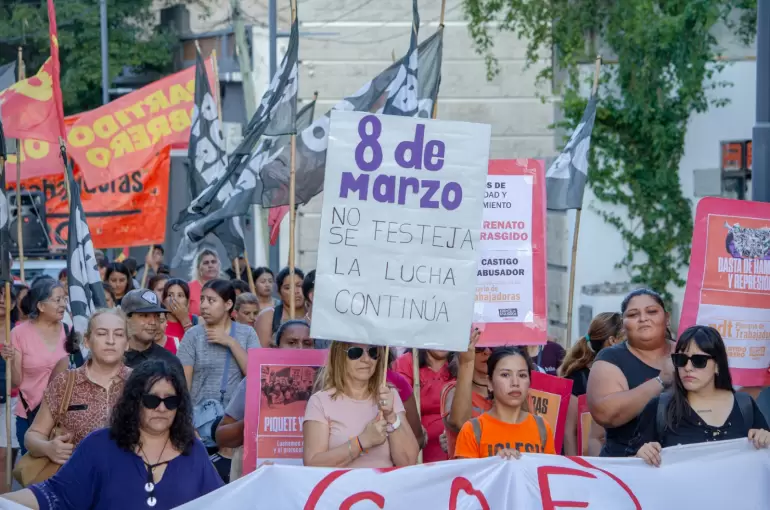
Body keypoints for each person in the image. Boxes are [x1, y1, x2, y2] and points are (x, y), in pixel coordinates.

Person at [1, 359, 223, 509]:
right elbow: (54, 495)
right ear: (134, 402)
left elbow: (224, 501)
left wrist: (258, 482)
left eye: (171, 401)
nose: (162, 408)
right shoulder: (99, 446)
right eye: (152, 400)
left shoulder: (192, 450)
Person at [631, 326, 770, 465]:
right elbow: (628, 466)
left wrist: (765, 439)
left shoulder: (745, 405)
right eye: (681, 359)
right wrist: (642, 454)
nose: (688, 368)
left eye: (699, 360)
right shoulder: (660, 408)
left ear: (717, 365)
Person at [24, 309, 131, 467]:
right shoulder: (65, 382)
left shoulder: (141, 383)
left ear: (127, 343)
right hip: (74, 483)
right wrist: (48, 448)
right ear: (87, 341)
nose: (110, 340)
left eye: (119, 334)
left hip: (127, 480)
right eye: (102, 333)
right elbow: (33, 435)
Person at [177, 279, 260, 482]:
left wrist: (230, 342)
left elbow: (256, 377)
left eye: (212, 300)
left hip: (234, 428)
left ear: (228, 305)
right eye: (202, 299)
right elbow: (182, 385)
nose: (204, 305)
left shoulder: (246, 333)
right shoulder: (193, 336)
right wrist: (187, 424)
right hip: (199, 426)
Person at [215, 319, 315, 479]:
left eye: (307, 343)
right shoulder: (255, 380)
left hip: (304, 480)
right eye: (292, 342)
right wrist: (254, 423)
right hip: (260, 477)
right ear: (276, 347)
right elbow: (221, 437)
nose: (300, 349)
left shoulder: (325, 383)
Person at [587, 288, 675, 457]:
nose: (643, 319)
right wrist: (661, 380)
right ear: (623, 323)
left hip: (680, 465)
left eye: (652, 311)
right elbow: (606, 413)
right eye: (633, 315)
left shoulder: (687, 353)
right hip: (625, 467)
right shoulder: (610, 358)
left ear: (667, 318)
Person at [303, 341, 419, 468]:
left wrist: (391, 416)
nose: (366, 359)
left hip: (382, 486)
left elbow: (409, 461)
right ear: (339, 356)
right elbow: (313, 463)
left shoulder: (387, 395)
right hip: (340, 487)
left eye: (373, 352)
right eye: (355, 353)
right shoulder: (320, 401)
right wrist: (362, 441)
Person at [0, 280, 68, 455]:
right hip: (30, 415)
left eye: (64, 299)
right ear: (41, 306)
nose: (63, 304)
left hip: (64, 417)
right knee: (33, 473)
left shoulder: (69, 331)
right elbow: (16, 382)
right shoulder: (19, 334)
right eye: (57, 300)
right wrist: (11, 359)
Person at [454, 347, 555, 459]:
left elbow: (549, 474)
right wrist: (495, 464)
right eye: (505, 375)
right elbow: (466, 476)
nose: (515, 383)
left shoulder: (542, 428)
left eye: (522, 375)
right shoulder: (472, 430)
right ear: (490, 383)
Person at [558, 313, 622, 456]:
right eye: (626, 336)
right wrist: (576, 471)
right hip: (589, 466)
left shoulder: (625, 372)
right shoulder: (579, 377)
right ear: (613, 341)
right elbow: (569, 433)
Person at [393, 348, 456, 462]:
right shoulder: (408, 362)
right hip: (417, 448)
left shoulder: (461, 363)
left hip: (453, 449)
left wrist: (456, 435)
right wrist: (415, 427)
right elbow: (399, 401)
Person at [441, 329, 490, 459]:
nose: (487, 351)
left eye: (494, 347)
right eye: (479, 347)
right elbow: (461, 423)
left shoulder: (512, 391)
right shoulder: (451, 390)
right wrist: (467, 362)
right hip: (467, 475)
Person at [121, 289, 183, 374]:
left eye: (156, 316)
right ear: (127, 318)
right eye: (145, 316)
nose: (153, 322)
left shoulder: (170, 362)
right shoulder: (113, 359)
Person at [255, 267, 306, 347]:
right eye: (288, 288)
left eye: (299, 285)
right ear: (279, 293)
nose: (295, 291)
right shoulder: (268, 317)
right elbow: (261, 354)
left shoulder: (314, 316)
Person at [0, 286, 20, 485]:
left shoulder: (18, 332)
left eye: (4, 296)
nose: (1, 300)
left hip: (11, 401)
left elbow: (18, 379)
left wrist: (12, 359)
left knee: (5, 456)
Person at [162, 279, 197, 355]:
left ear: (187, 302)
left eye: (180, 295)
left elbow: (197, 349)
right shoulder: (159, 322)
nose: (175, 299)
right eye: (170, 295)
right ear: (163, 300)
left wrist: (185, 320)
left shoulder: (196, 320)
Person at [188, 249, 222, 316]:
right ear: (198, 267)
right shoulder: (189, 288)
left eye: (213, 262)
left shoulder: (226, 287)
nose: (210, 265)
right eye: (206, 263)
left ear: (218, 265)